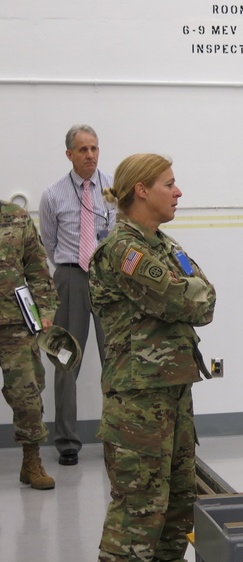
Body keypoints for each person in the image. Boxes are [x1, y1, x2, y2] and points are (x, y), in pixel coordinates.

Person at [89, 153, 216, 561]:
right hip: (138, 401)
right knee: (139, 512)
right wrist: (191, 293)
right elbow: (181, 298)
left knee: (178, 509)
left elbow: (207, 300)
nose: (178, 192)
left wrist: (192, 294)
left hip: (174, 392)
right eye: (169, 184)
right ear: (141, 191)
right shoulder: (122, 250)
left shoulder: (162, 243)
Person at [39, 124, 117, 467]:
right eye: (83, 150)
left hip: (107, 279)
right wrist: (71, 268)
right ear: (69, 154)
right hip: (70, 278)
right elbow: (49, 242)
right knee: (65, 359)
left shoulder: (114, 188)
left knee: (115, 359)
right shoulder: (53, 194)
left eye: (94, 149)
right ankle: (67, 441)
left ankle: (116, 436)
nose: (90, 156)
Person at [0, 200, 59, 490]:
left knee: (28, 396)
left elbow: (37, 269)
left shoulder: (16, 217)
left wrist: (45, 312)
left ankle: (31, 462)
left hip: (15, 325)